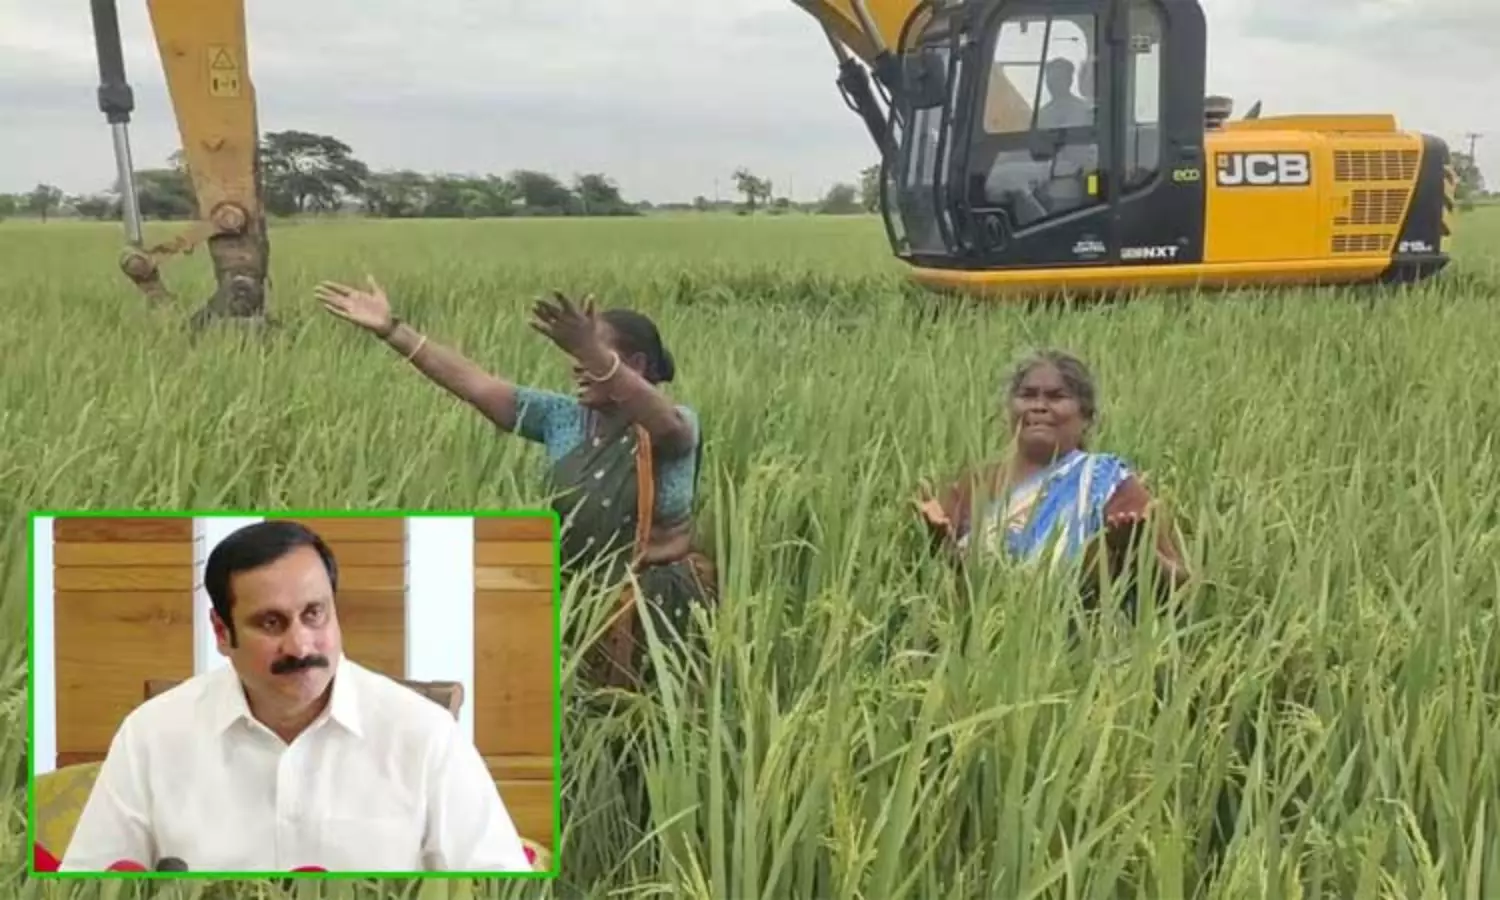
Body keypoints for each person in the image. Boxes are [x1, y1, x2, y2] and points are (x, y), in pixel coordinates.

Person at [61, 520, 533, 873]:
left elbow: (498, 881)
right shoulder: (151, 735)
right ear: (222, 632)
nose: (300, 646)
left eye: (314, 614)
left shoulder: (425, 735)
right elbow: (92, 881)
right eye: (271, 623)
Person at [313, 277, 716, 689]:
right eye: (576, 353)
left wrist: (591, 350)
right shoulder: (562, 419)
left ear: (636, 366)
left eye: (590, 353)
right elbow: (476, 384)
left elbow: (666, 423)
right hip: (577, 602)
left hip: (657, 609)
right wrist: (393, 330)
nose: (577, 364)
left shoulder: (675, 427)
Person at [916, 350, 1191, 612]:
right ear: (1009, 411)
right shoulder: (979, 483)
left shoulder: (1107, 482)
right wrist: (939, 544)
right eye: (1027, 395)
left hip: (1078, 639)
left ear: (1086, 417)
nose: (1039, 406)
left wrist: (1137, 551)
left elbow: (1181, 589)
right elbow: (946, 583)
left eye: (1056, 397)